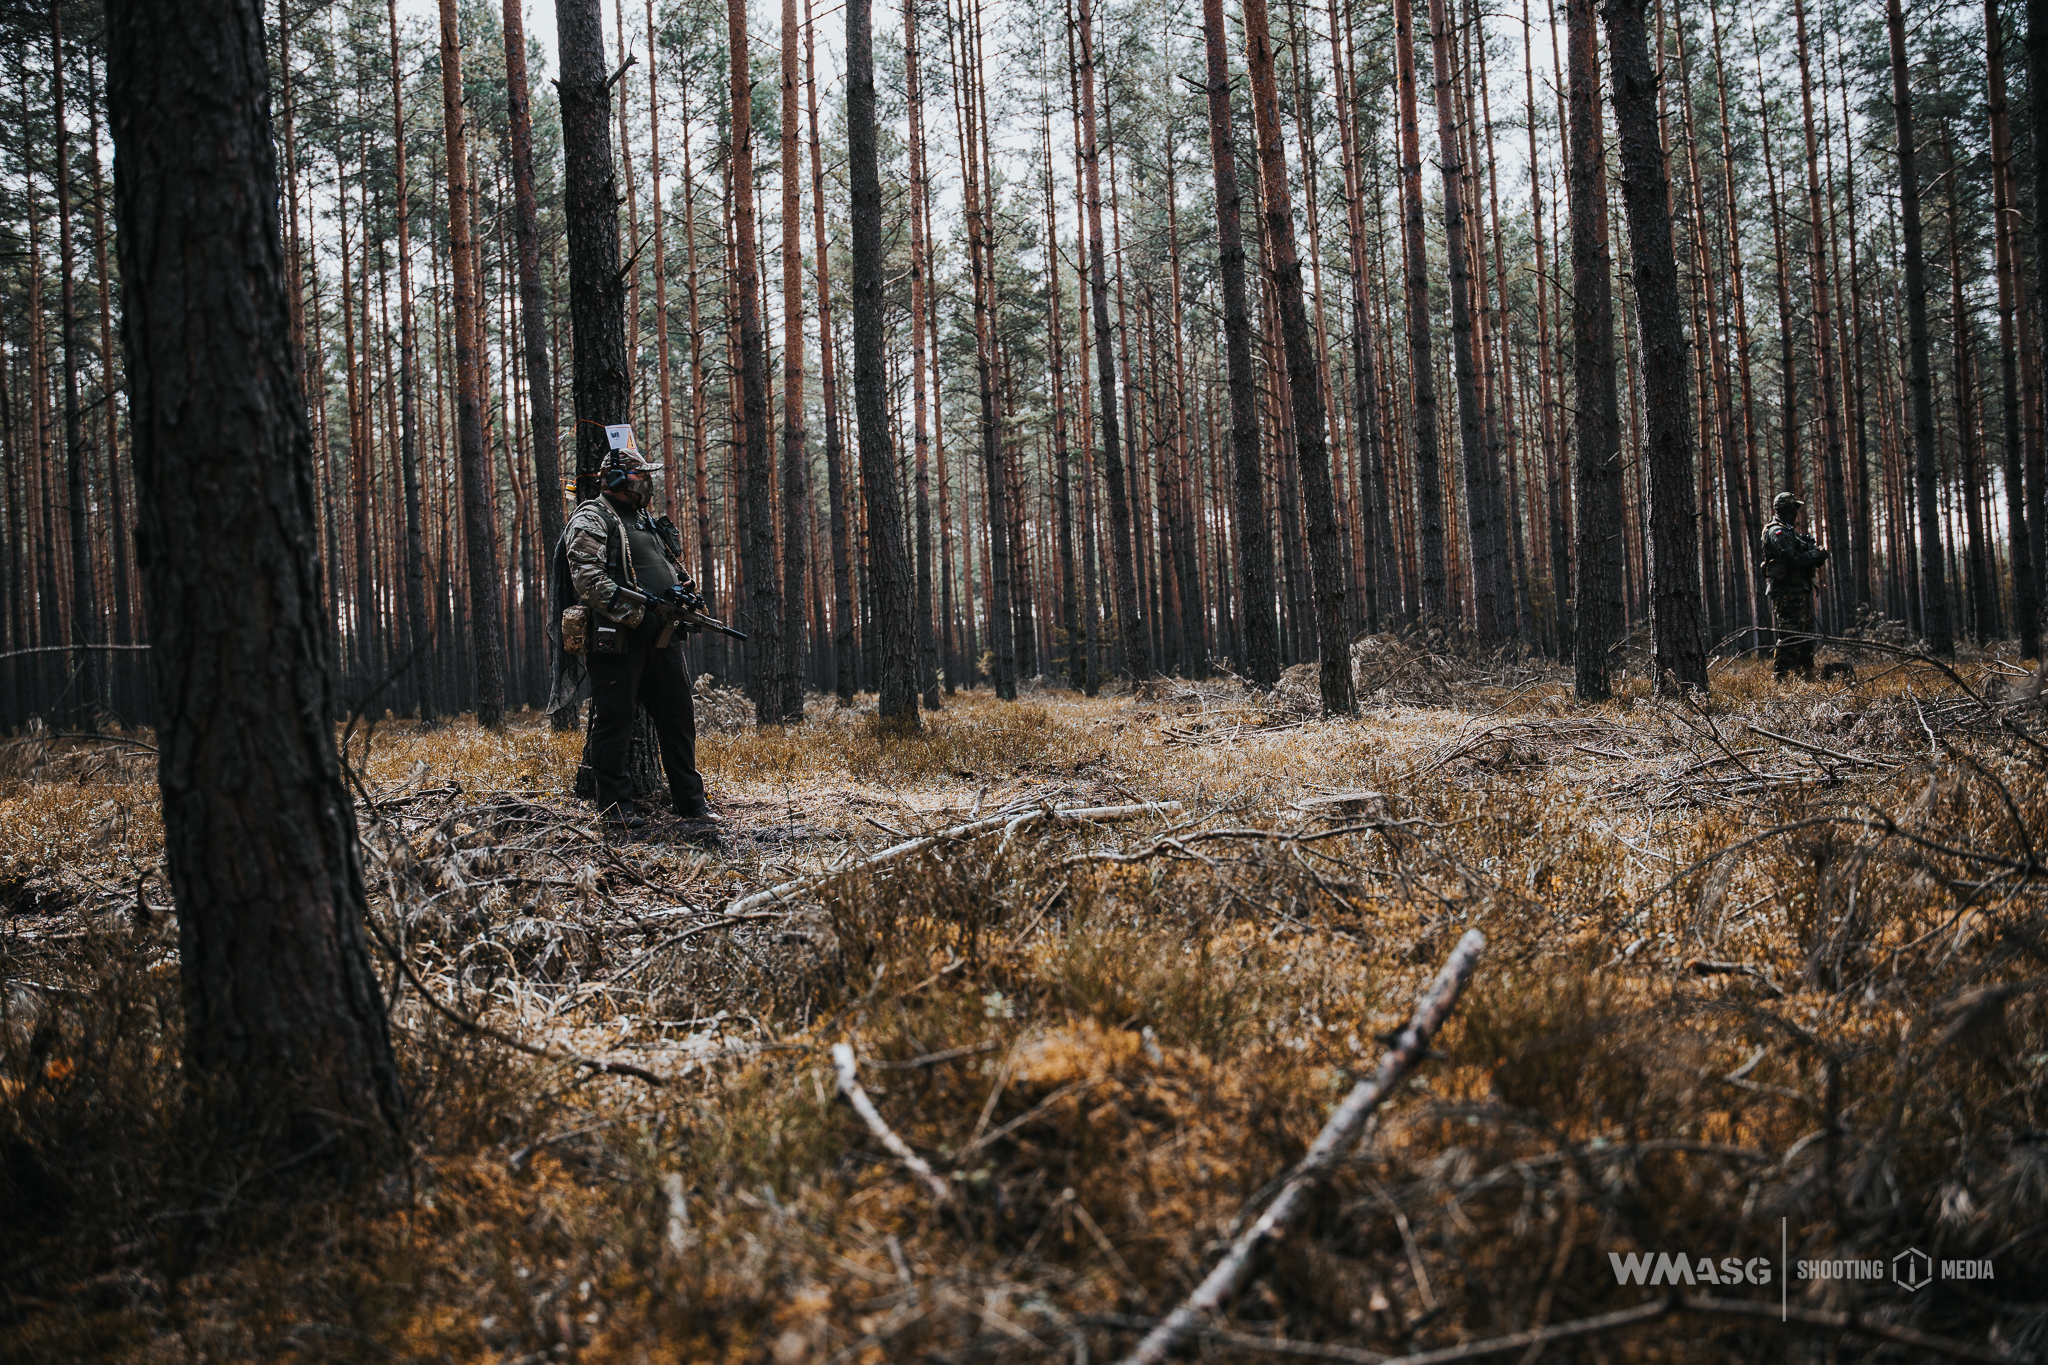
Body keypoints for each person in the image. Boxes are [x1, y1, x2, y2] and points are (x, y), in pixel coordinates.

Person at [563, 446, 715, 830]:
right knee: (615, 721)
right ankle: (615, 809)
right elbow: (587, 579)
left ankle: (691, 803)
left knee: (678, 718)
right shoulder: (591, 517)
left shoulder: (646, 520)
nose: (646, 484)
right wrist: (639, 616)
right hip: (616, 637)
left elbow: (668, 566)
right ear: (615, 480)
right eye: (638, 477)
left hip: (663, 635)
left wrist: (683, 591)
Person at [1761, 491, 1828, 681]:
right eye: (1795, 507)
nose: (1797, 511)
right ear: (1788, 509)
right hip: (1787, 593)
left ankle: (1805, 678)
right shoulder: (1777, 531)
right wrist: (1816, 555)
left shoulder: (1789, 531)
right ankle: (1781, 679)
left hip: (1799, 590)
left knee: (1805, 637)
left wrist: (1814, 552)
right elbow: (1792, 558)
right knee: (1791, 637)